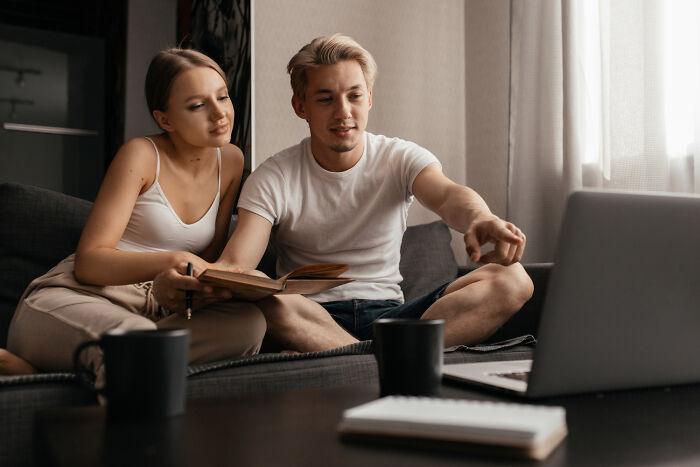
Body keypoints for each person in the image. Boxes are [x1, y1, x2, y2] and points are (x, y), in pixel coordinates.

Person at [153, 34, 533, 352]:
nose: (343, 112)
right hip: (310, 317)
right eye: (325, 99)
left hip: (393, 318)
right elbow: (238, 263)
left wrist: (481, 218)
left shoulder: (399, 157)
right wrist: (190, 281)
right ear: (300, 106)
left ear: (369, 98)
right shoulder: (274, 176)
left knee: (513, 280)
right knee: (268, 310)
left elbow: (449, 196)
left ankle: (359, 360)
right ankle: (387, 363)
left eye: (354, 96)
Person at [0, 48, 266, 375]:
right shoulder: (141, 154)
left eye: (223, 97)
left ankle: (71, 370)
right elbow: (89, 263)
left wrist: (223, 285)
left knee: (250, 324)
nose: (219, 113)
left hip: (157, 313)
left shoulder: (232, 160)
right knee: (139, 342)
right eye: (197, 105)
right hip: (80, 297)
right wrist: (171, 261)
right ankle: (88, 365)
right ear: (164, 119)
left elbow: (207, 259)